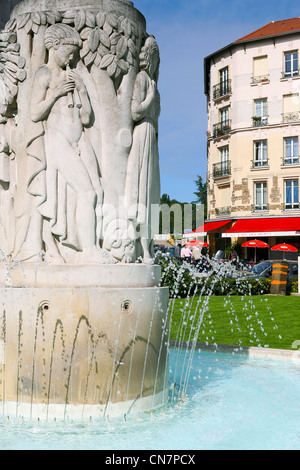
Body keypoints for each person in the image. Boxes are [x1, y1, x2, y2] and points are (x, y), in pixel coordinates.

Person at [29, 24, 104, 262]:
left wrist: (81, 88)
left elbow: (86, 117)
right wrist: (56, 93)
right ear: (54, 47)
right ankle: (88, 250)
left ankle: (91, 244)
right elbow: (34, 112)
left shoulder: (74, 76)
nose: (71, 57)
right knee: (87, 192)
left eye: (74, 53)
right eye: (67, 51)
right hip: (58, 139)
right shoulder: (45, 74)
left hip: (80, 138)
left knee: (98, 191)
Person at [125, 36, 161, 262]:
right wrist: (150, 96)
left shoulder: (151, 81)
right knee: (140, 190)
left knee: (150, 194)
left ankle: (147, 247)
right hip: (142, 134)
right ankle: (137, 245)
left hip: (151, 138)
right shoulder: (142, 78)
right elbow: (136, 112)